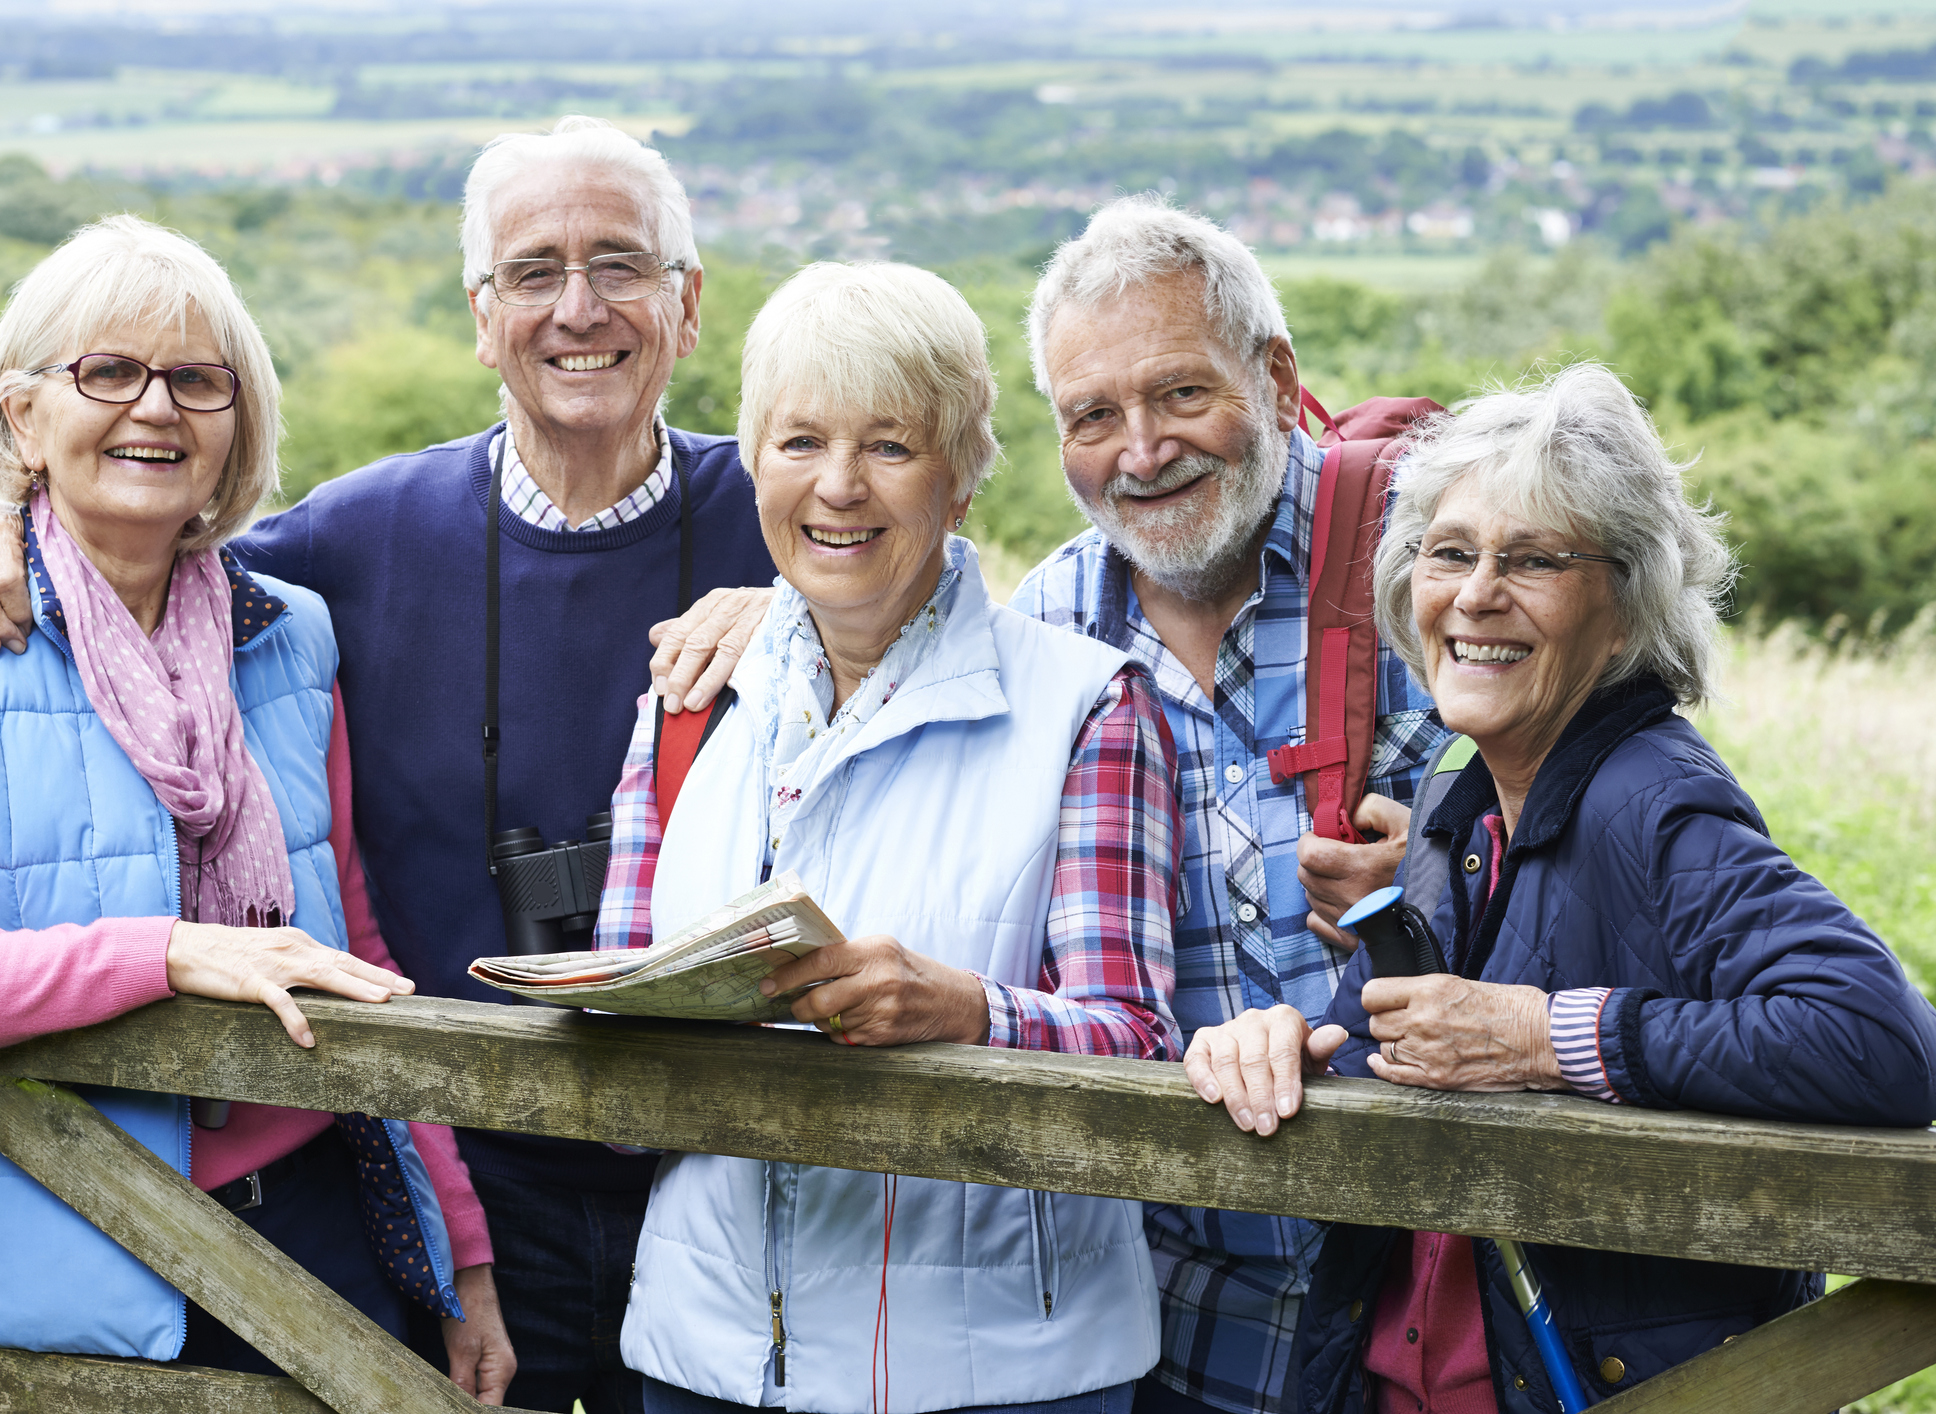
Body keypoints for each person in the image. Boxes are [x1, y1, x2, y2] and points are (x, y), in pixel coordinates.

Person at [0, 117, 780, 1412]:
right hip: (472, 1171)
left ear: (688, 303)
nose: (578, 308)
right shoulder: (361, 536)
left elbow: (956, 622)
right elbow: (143, 551)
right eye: (534, 271)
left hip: (741, 1169)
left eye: (622, 266)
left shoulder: (797, 514)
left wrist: (814, 617)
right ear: (482, 316)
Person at [666, 196, 1447, 1414]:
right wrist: (796, 610)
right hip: (1180, 1286)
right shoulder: (1062, 618)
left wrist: (1440, 867)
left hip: (1419, 1246)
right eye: (1093, 415)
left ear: (1276, 377)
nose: (1140, 451)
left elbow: (1589, 821)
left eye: (1180, 395)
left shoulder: (1429, 568)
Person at [0, 215, 514, 1401]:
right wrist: (171, 952)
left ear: (237, 423)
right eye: (107, 371)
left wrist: (465, 1255)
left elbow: (353, 943)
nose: (156, 408)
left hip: (317, 1231)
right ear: (25, 414)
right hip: (41, 1259)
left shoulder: (290, 638)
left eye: (198, 379)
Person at [1180, 361, 1936, 1414]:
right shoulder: (1460, 802)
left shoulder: (1650, 801)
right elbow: (1379, 1048)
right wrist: (1268, 1045)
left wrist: (1543, 1038)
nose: (1476, 592)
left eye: (1531, 559)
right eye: (1449, 553)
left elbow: (1883, 1040)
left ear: (1623, 611)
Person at [595, 261, 1185, 1414]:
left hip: (1000, 1381)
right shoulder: (684, 704)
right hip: (704, 1364)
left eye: (891, 446)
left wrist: (968, 1013)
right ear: (752, 460)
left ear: (962, 475)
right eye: (798, 441)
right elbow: (622, 1035)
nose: (838, 488)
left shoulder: (1086, 710)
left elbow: (1142, 1049)